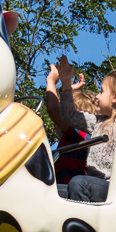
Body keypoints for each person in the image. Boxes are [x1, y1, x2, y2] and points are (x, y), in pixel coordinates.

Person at [55, 56, 116, 202]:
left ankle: (83, 223)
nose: (97, 97)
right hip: (93, 184)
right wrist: (66, 83)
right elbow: (69, 115)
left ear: (114, 97)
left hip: (114, 186)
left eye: (101, 91)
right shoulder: (98, 122)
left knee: (78, 184)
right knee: (51, 191)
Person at [44, 64, 100, 196]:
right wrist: (68, 90)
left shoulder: (77, 134)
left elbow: (54, 109)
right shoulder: (87, 137)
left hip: (67, 193)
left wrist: (51, 81)